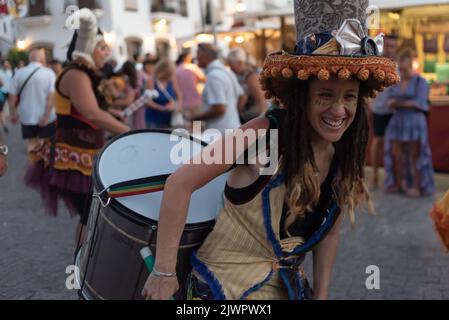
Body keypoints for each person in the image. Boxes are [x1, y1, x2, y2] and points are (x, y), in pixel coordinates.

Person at [142, 0, 399, 300]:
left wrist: (323, 294)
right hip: (222, 292)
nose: (339, 110)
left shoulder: (344, 152)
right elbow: (179, 184)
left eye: (350, 97)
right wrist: (164, 273)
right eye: (326, 95)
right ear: (302, 96)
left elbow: (330, 231)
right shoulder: (263, 134)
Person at [23, 9, 129, 244]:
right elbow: (92, 113)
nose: (107, 52)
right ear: (88, 47)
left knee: (90, 213)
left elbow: (90, 109)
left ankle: (85, 261)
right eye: (101, 47)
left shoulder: (84, 74)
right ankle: (83, 261)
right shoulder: (76, 75)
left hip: (85, 152)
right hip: (74, 155)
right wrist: (129, 132)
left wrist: (113, 112)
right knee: (87, 214)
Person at [384, 49, 435, 197]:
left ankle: (417, 186)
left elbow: (419, 103)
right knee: (397, 155)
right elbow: (389, 101)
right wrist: (400, 103)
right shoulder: (396, 82)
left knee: (415, 156)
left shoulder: (421, 82)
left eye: (404, 68)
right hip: (398, 121)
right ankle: (399, 184)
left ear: (410, 64)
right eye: (400, 68)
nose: (402, 70)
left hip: (415, 122)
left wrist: (398, 103)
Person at [8, 49, 57, 153]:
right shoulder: (49, 73)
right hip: (46, 118)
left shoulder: (19, 73)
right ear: (42, 59)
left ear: (29, 59)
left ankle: (32, 165)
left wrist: (13, 114)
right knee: (46, 148)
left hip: (27, 116)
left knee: (31, 145)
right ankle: (43, 167)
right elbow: (51, 98)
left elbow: (11, 97)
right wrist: (46, 117)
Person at [189, 43, 244, 135]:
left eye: (197, 55)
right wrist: (231, 115)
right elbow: (242, 97)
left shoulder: (213, 76)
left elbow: (219, 109)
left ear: (205, 56)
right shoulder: (227, 72)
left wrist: (196, 118)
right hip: (232, 128)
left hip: (220, 132)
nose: (196, 59)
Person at [369, 35, 398, 189]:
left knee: (393, 144)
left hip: (394, 111)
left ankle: (390, 178)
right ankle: (374, 176)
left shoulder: (397, 66)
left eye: (393, 46)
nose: (390, 49)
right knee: (378, 142)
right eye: (388, 46)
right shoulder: (376, 64)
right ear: (384, 46)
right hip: (379, 109)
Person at [227, 48, 268, 123]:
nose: (230, 68)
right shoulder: (245, 75)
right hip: (251, 118)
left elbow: (262, 100)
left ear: (239, 63)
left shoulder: (251, 76)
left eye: (231, 65)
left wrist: (263, 119)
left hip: (255, 119)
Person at [145, 59, 183, 129]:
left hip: (169, 118)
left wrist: (179, 106)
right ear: (164, 72)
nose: (171, 75)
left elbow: (179, 95)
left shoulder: (171, 79)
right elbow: (147, 101)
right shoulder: (151, 81)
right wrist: (163, 108)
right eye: (169, 73)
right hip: (154, 119)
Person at [175, 50, 205, 120]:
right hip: (196, 99)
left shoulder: (176, 70)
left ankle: (190, 131)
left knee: (187, 123)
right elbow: (203, 79)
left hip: (183, 101)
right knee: (196, 123)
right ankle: (196, 131)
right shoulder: (192, 67)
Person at [0, 60, 13, 134]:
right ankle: (4, 123)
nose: (6, 65)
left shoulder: (10, 72)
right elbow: (1, 83)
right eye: (5, 64)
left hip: (9, 90)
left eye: (7, 64)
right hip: (2, 92)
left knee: (9, 104)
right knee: (1, 110)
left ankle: (11, 117)